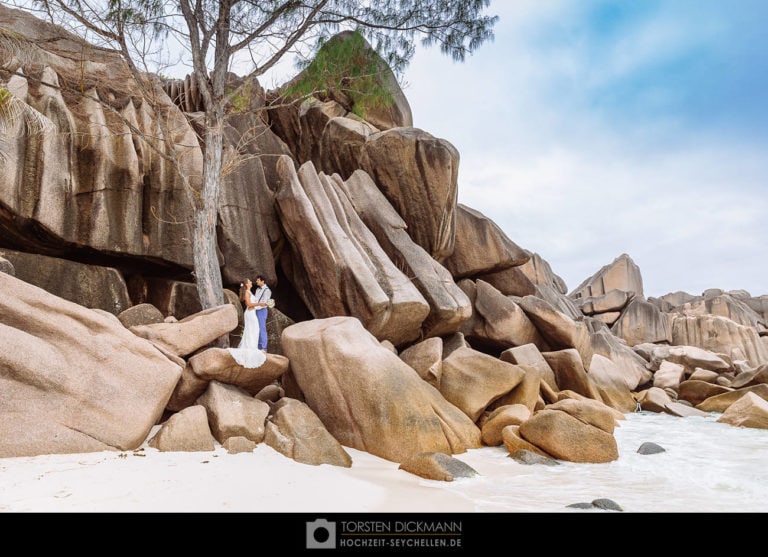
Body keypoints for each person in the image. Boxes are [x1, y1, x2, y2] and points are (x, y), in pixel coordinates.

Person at [227, 278, 266, 368]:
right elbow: (249, 304)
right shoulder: (247, 293)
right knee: (253, 329)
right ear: (246, 284)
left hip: (252, 313)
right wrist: (260, 304)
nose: (251, 282)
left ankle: (252, 347)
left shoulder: (249, 292)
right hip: (250, 314)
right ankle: (250, 348)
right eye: (249, 282)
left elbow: (253, 305)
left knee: (254, 330)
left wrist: (262, 304)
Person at [252, 275, 272, 352]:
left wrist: (256, 305)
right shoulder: (257, 289)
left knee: (262, 328)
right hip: (256, 310)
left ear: (262, 281)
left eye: (258, 280)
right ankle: (258, 346)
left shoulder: (267, 290)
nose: (256, 281)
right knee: (257, 328)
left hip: (262, 310)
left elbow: (265, 303)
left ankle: (264, 347)